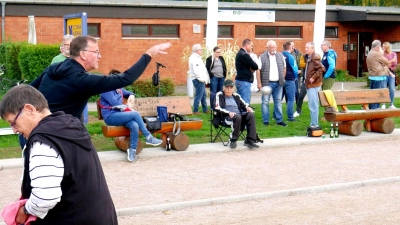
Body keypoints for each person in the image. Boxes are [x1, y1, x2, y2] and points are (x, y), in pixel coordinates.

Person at [0, 84, 117, 225]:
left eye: (13, 122)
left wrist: (24, 211)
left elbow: (45, 196)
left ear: (30, 109)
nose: (14, 130)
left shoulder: (44, 140)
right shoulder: (70, 125)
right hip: (101, 216)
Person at [30, 35, 171, 120]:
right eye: (96, 52)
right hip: (57, 136)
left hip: (38, 130)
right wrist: (149, 53)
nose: (100, 56)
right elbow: (125, 79)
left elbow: (28, 91)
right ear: (83, 54)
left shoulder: (52, 69)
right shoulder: (81, 80)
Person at [100, 69, 162, 162]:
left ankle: (132, 150)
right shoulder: (106, 89)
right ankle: (149, 137)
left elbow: (129, 93)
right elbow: (115, 103)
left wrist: (132, 95)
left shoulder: (119, 88)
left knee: (134, 125)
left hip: (120, 115)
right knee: (135, 114)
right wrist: (127, 106)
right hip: (111, 117)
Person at [212, 79, 259, 149]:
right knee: (237, 116)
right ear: (223, 88)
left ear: (233, 88)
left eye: (230, 87)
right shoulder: (219, 95)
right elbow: (217, 107)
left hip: (238, 115)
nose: (229, 89)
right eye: (227, 87)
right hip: (225, 117)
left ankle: (250, 140)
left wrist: (248, 107)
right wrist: (229, 112)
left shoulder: (236, 95)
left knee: (251, 115)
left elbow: (244, 104)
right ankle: (233, 140)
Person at [257, 40, 287, 127]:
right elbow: (258, 70)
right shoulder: (262, 57)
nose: (273, 49)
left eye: (274, 47)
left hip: (278, 83)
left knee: (278, 102)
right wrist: (259, 83)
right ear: (267, 48)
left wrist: (282, 78)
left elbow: (284, 68)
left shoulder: (280, 55)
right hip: (267, 83)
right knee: (265, 102)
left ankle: (279, 120)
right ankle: (265, 120)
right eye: (271, 47)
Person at [304, 42, 326, 128]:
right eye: (305, 47)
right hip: (310, 84)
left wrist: (313, 77)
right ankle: (313, 123)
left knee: (313, 105)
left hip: (313, 85)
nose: (305, 49)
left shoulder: (315, 56)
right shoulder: (309, 57)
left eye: (307, 48)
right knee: (312, 104)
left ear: (312, 49)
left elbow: (322, 68)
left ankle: (314, 124)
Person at [366, 40, 391, 109]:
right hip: (378, 76)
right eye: (380, 46)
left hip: (372, 76)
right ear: (377, 47)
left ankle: (373, 109)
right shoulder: (376, 54)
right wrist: (382, 53)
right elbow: (386, 62)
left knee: (372, 94)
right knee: (376, 95)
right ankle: (374, 110)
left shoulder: (370, 53)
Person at [235, 39, 259, 104]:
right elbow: (256, 66)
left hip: (240, 80)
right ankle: (245, 114)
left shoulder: (239, 53)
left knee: (239, 102)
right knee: (245, 103)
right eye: (251, 45)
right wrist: (252, 68)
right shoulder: (244, 54)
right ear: (246, 45)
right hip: (244, 81)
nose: (252, 47)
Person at [188, 44, 209, 115]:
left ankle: (205, 109)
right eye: (200, 49)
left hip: (200, 79)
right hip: (198, 79)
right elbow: (196, 70)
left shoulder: (197, 57)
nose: (201, 51)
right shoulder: (194, 58)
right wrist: (201, 79)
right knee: (199, 95)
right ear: (197, 50)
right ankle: (195, 110)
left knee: (203, 95)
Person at [282, 41, 298, 122]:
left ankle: (275, 115)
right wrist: (295, 77)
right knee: (291, 99)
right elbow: (295, 69)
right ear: (290, 47)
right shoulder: (290, 57)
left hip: (281, 80)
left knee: (278, 99)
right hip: (290, 79)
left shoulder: (279, 55)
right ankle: (290, 117)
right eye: (293, 46)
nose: (294, 47)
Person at [382, 41, 397, 109]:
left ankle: (391, 104)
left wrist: (387, 63)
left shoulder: (394, 54)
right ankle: (383, 104)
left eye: (384, 46)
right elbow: (382, 64)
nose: (383, 47)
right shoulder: (382, 54)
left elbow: (395, 64)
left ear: (387, 47)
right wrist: (390, 61)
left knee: (392, 89)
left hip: (392, 73)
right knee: (384, 88)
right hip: (384, 73)